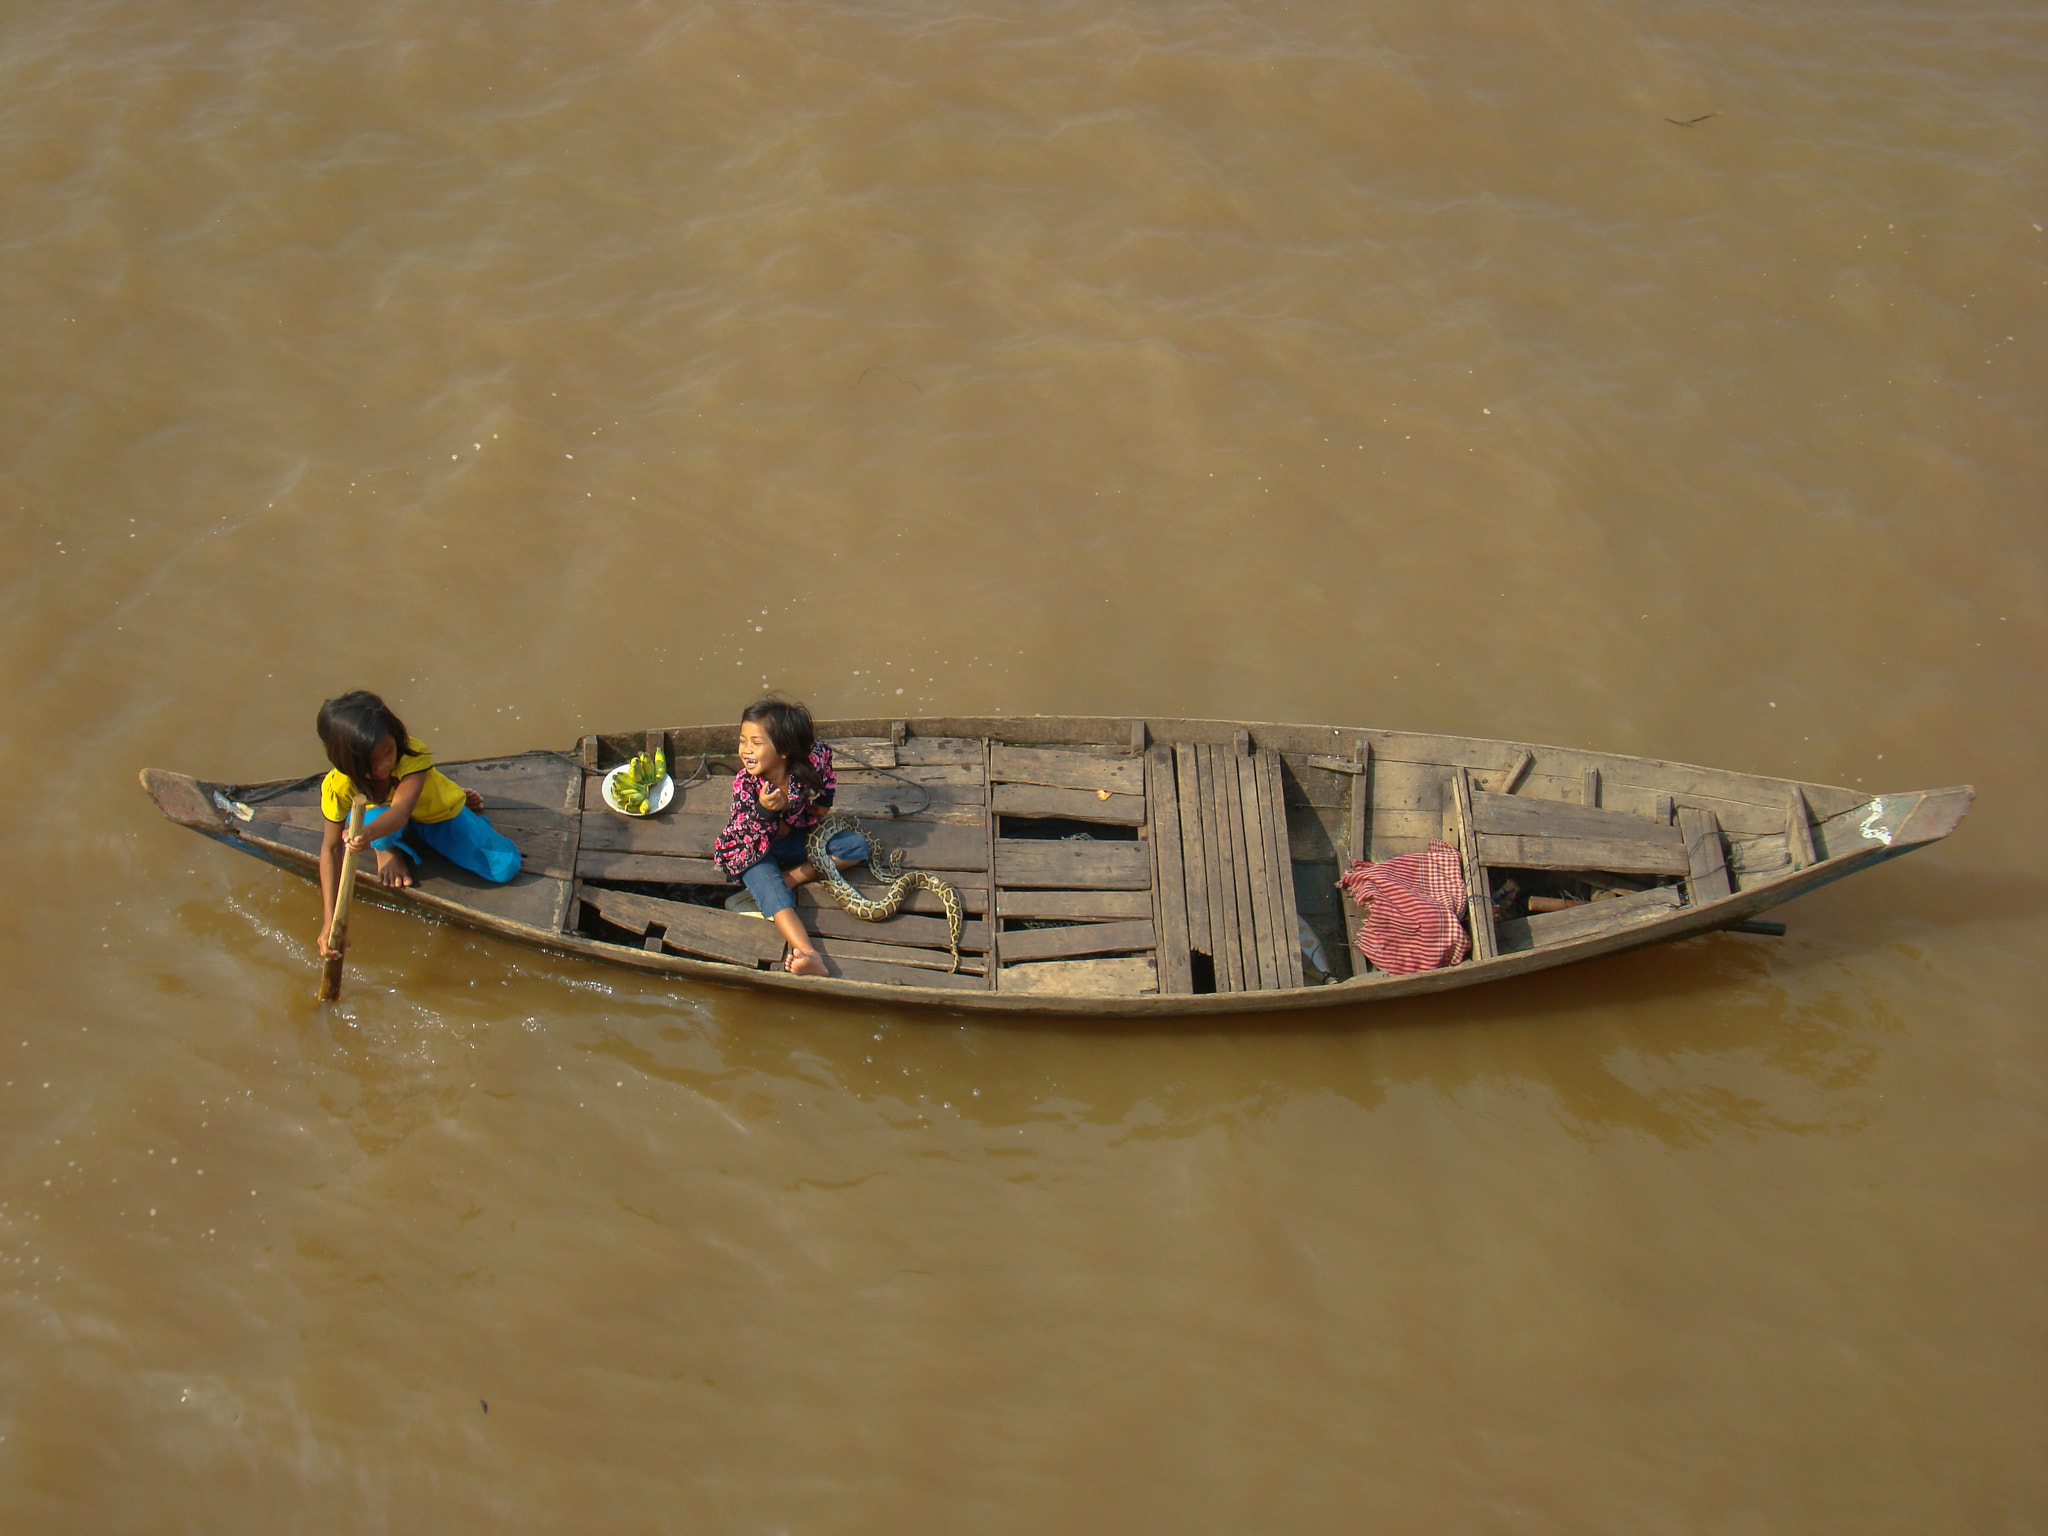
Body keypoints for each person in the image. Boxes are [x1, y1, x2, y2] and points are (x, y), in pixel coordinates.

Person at [314, 691, 521, 958]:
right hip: (379, 822)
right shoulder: (338, 786)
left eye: (389, 751)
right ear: (350, 765)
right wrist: (329, 921)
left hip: (427, 813)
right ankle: (386, 848)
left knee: (505, 867)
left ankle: (450, 797)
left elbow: (401, 811)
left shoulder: (412, 754)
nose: (387, 762)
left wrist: (366, 834)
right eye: (375, 763)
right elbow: (331, 850)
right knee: (371, 821)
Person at [712, 696, 868, 976]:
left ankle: (792, 877)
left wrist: (826, 798)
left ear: (785, 750)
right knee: (771, 892)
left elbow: (826, 760)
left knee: (855, 846)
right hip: (755, 849)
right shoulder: (746, 786)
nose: (746, 750)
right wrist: (764, 811)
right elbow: (743, 834)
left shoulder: (810, 758)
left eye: (756, 743)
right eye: (742, 740)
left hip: (797, 836)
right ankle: (809, 954)